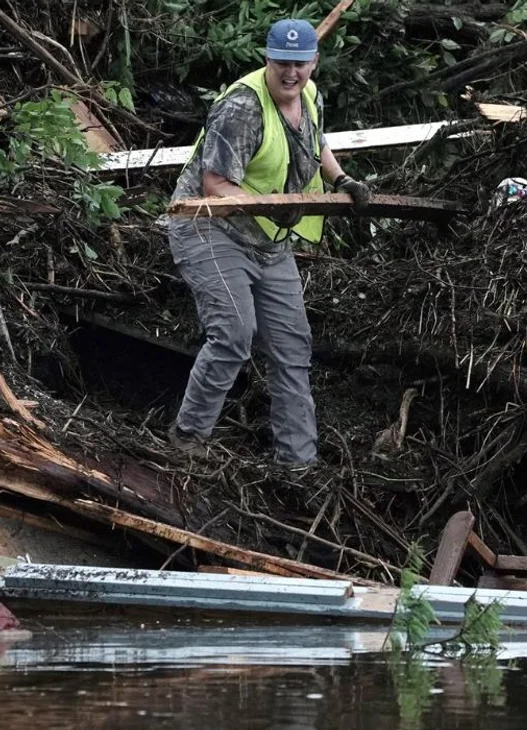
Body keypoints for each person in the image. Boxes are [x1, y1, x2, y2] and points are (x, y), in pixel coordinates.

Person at [166, 18, 370, 466]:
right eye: (282, 63)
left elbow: (315, 144)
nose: (291, 73)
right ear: (267, 59)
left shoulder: (309, 95)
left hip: (268, 240)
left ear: (314, 62)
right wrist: (270, 206)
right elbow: (215, 184)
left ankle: (298, 464)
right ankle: (187, 440)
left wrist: (342, 179)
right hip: (210, 228)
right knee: (234, 334)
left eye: (300, 64)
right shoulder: (243, 107)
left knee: (293, 346)